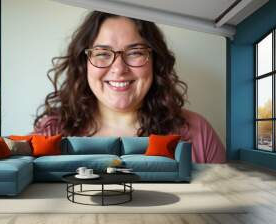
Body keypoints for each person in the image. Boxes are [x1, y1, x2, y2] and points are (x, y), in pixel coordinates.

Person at [32, 11, 225, 163]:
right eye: (102, 53)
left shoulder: (197, 132)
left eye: (135, 52)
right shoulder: (50, 132)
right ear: (84, 64)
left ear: (155, 62)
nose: (119, 69)